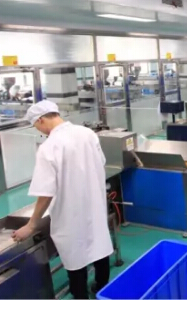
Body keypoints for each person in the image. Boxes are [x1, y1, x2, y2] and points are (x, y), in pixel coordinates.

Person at [12, 100, 113, 300]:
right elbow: (101, 162)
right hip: (94, 203)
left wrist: (31, 225)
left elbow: (46, 192)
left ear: (41, 120)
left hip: (69, 213)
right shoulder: (87, 133)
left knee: (75, 255)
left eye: (36, 126)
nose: (39, 131)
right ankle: (102, 288)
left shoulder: (49, 147)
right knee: (99, 245)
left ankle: (81, 297)